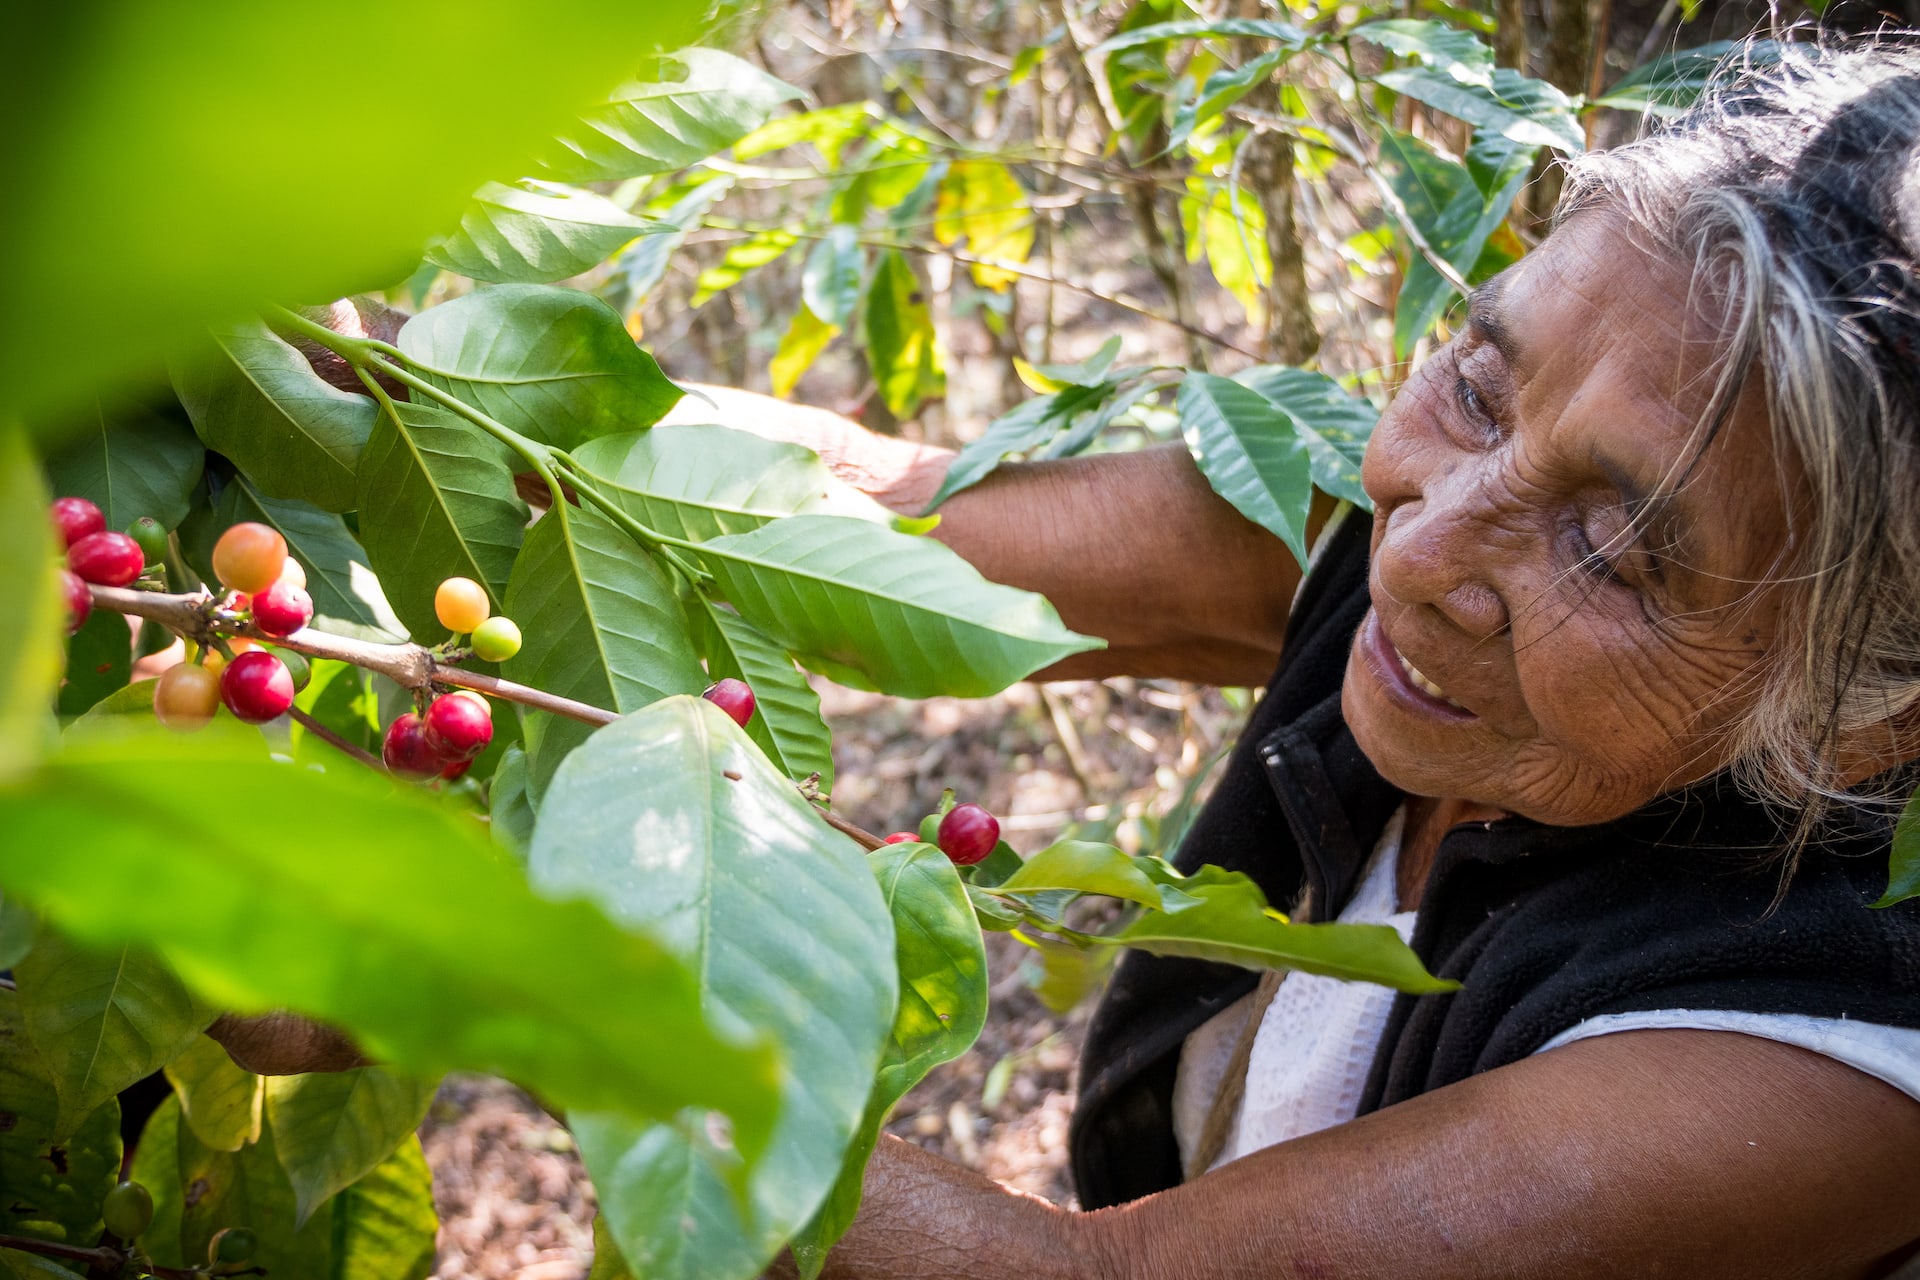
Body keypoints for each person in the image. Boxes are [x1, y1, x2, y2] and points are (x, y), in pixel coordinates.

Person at [712, 39, 1920, 1279]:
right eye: (1479, 390)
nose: (1417, 551)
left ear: (1868, 721)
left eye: (1610, 549)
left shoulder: (1827, 1058)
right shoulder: (1409, 529)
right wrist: (583, 438)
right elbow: (894, 525)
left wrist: (640, 1029)